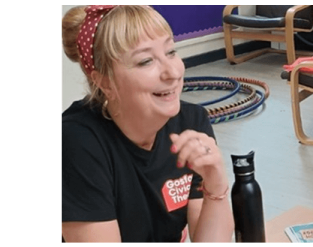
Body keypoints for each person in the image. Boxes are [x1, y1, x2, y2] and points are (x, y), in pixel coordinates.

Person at [61, 5, 234, 242]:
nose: (173, 72)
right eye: (145, 61)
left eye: (171, 51)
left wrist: (216, 184)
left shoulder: (192, 122)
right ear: (105, 82)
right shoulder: (76, 142)